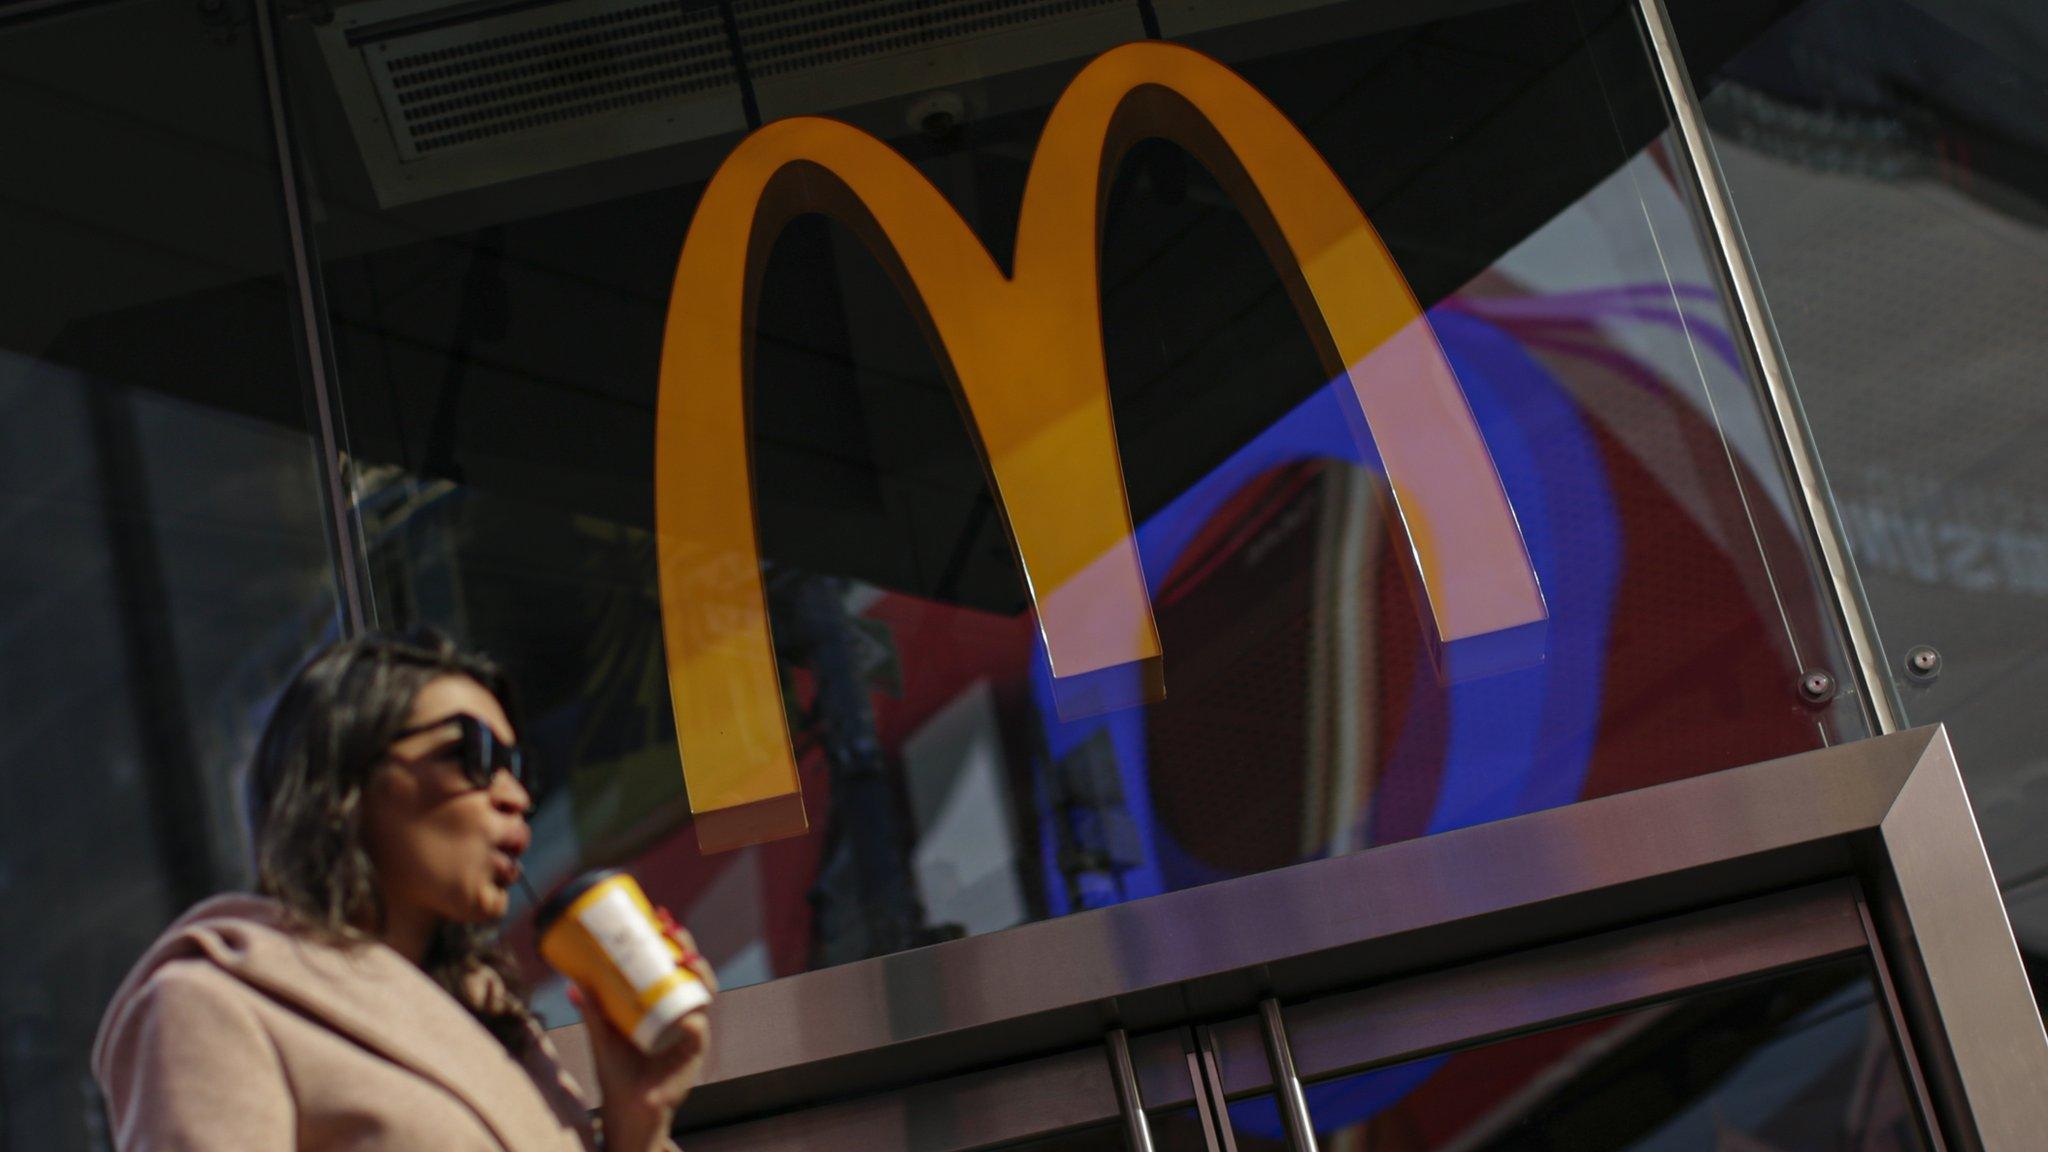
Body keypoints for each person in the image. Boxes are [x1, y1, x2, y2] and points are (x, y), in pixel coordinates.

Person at [91, 630, 714, 1151]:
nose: (514, 796)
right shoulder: (215, 1006)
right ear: (345, 780)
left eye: (519, 767)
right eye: (470, 752)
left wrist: (639, 1120)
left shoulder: (502, 1030)